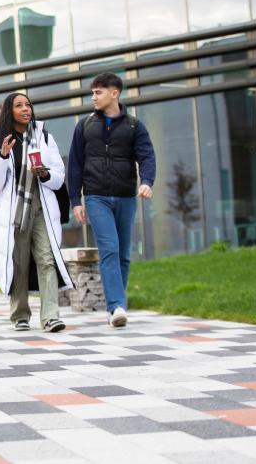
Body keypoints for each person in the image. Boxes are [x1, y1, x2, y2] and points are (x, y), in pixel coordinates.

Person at [0, 93, 74, 332]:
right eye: (19, 105)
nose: (26, 109)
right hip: (14, 211)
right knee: (19, 262)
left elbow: (58, 176)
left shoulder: (44, 137)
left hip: (42, 207)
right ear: (9, 111)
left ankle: (51, 317)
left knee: (46, 259)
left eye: (28, 104)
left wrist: (44, 174)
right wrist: (3, 155)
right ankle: (20, 315)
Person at [67, 73, 156, 327]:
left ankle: (115, 307)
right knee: (110, 250)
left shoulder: (133, 126)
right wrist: (76, 200)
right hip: (96, 197)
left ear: (114, 93)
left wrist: (147, 182)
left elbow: (147, 157)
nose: (93, 97)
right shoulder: (84, 126)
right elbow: (75, 165)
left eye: (98, 92)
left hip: (126, 196)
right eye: (93, 93)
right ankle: (116, 306)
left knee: (124, 255)